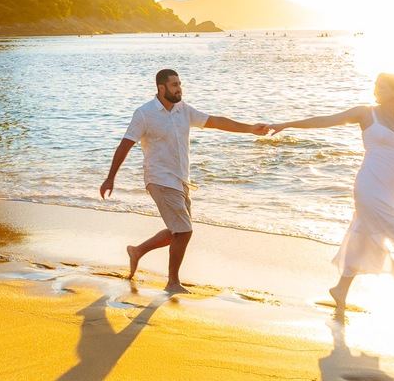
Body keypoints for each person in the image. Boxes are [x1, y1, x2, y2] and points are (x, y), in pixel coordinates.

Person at [268, 73, 394, 332]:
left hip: (393, 190)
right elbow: (326, 121)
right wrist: (287, 124)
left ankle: (340, 289)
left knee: (364, 239)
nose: (376, 90)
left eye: (381, 87)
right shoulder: (366, 114)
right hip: (369, 187)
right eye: (375, 86)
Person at [100, 69, 271, 294]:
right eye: (174, 85)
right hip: (159, 178)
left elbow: (215, 121)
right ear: (161, 88)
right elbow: (125, 145)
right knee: (184, 230)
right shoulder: (144, 113)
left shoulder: (183, 110)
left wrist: (249, 128)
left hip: (181, 180)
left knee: (177, 230)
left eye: (180, 84)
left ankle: (137, 251)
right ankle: (172, 283)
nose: (179, 88)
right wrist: (110, 178)